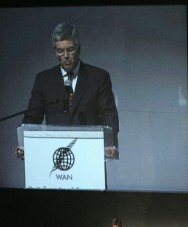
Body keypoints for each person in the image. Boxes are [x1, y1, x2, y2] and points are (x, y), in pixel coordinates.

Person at [19, 23, 119, 159]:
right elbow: (32, 117)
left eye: (70, 50)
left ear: (79, 49)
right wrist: (25, 143)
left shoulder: (99, 78)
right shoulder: (44, 80)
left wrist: (109, 143)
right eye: (60, 51)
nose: (65, 56)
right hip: (54, 154)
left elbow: (109, 115)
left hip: (89, 154)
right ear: (55, 51)